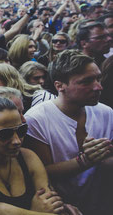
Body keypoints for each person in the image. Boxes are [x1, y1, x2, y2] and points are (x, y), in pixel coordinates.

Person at [24, 50, 113, 215]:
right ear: (59, 86)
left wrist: (104, 155)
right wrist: (84, 160)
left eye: (98, 78)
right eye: (86, 82)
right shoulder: (37, 119)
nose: (98, 87)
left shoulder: (106, 113)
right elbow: (41, 172)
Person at [0, 95, 68, 215]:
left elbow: (53, 208)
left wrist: (4, 210)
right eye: (5, 134)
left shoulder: (28, 157)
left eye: (21, 130)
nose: (17, 141)